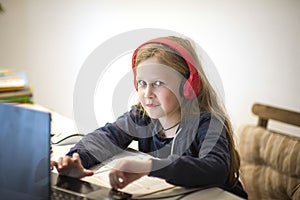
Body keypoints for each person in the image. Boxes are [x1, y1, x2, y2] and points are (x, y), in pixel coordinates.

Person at [51, 36, 248, 199]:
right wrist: (75, 159)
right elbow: (105, 137)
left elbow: (215, 169)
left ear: (187, 86)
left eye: (159, 83)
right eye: (142, 83)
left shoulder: (208, 124)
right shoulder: (142, 117)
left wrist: (149, 166)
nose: (147, 93)